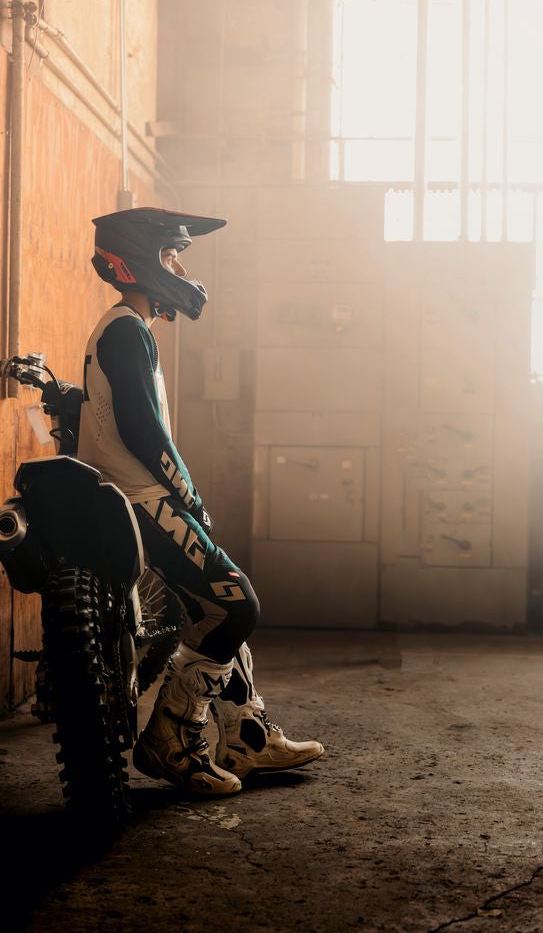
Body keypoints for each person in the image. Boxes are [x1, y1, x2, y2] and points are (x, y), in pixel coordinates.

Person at [78, 207, 324, 796]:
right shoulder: (124, 329)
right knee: (235, 605)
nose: (181, 268)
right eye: (170, 256)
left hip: (135, 494)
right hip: (135, 499)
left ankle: (247, 738)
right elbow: (142, 431)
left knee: (214, 603)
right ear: (138, 263)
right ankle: (170, 736)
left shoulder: (127, 328)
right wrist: (187, 492)